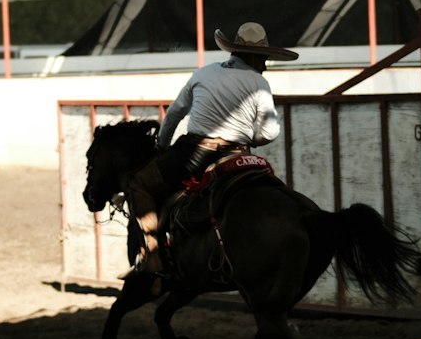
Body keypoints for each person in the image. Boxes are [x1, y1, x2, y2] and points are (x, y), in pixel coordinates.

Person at [125, 20, 299, 275]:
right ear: (252, 56)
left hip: (193, 154)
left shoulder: (204, 73)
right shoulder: (259, 84)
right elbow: (270, 132)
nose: (264, 65)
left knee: (139, 184)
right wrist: (246, 135)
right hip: (238, 155)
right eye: (263, 59)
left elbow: (173, 115)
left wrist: (162, 147)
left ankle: (152, 256)